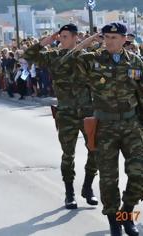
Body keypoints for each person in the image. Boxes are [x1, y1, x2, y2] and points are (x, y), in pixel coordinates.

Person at [63, 22, 143, 236]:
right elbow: (65, 61)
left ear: (125, 39)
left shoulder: (135, 62)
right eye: (106, 37)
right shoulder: (93, 60)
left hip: (131, 125)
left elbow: (141, 95)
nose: (109, 41)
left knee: (139, 173)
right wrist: (88, 42)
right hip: (104, 126)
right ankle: (114, 223)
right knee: (109, 179)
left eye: (114, 38)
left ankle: (126, 215)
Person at [23, 24, 98, 209]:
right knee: (68, 154)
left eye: (65, 36)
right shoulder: (53, 56)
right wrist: (44, 42)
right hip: (66, 112)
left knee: (95, 151)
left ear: (75, 37)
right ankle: (69, 193)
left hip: (87, 111)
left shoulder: (86, 56)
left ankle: (88, 187)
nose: (61, 39)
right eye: (60, 36)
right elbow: (28, 57)